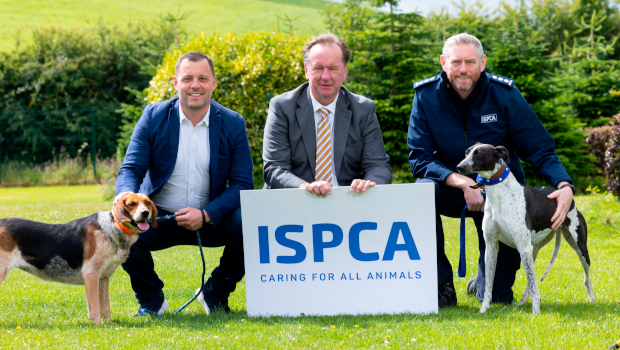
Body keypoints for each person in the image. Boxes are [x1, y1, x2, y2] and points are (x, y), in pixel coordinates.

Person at [407, 33, 575, 308]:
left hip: (502, 195)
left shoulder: (505, 94)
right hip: (451, 189)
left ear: (482, 63)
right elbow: (419, 157)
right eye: (456, 62)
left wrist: (564, 184)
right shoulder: (425, 96)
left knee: (498, 296)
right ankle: (441, 284)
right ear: (443, 62)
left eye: (470, 62)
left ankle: (482, 283)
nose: (463, 69)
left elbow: (540, 148)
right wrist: (461, 182)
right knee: (421, 190)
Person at [115, 51, 254, 316]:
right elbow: (132, 168)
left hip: (212, 215)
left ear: (213, 83)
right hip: (158, 216)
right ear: (176, 83)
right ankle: (151, 300)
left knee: (251, 224)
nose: (195, 85)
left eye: (202, 78)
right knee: (122, 227)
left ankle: (215, 293)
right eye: (187, 78)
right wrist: (124, 196)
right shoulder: (153, 116)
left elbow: (242, 184)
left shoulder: (233, 123)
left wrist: (207, 214)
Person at [263, 33, 392, 194]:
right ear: (306, 71)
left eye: (333, 68)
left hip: (348, 201)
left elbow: (378, 165)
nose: (325, 76)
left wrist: (368, 184)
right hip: (294, 201)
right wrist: (305, 187)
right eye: (318, 68)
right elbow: (274, 168)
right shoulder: (282, 107)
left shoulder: (363, 110)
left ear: (344, 72)